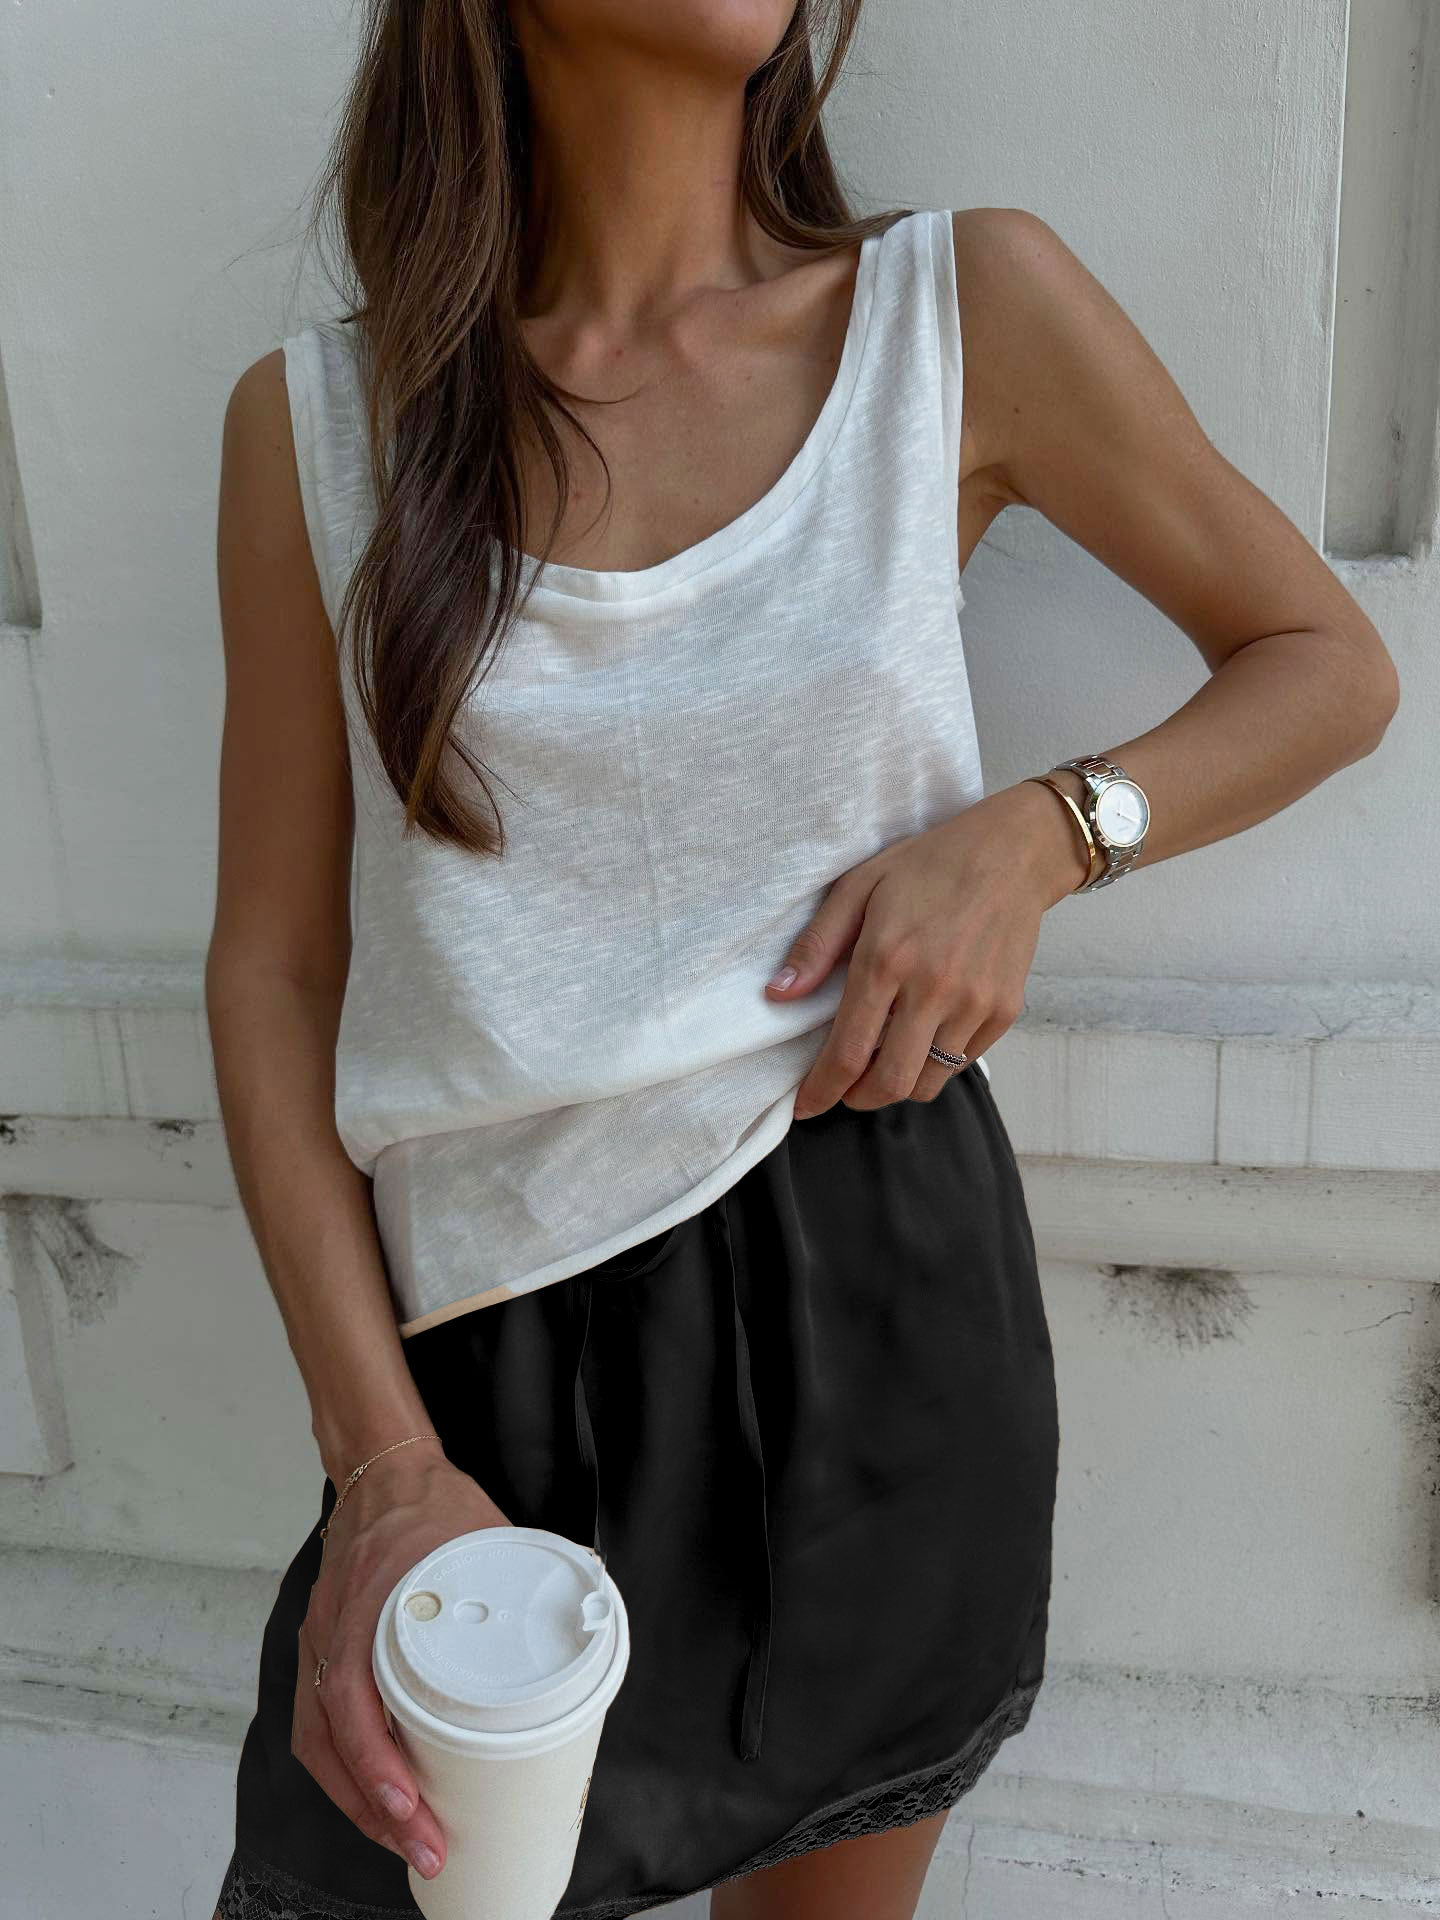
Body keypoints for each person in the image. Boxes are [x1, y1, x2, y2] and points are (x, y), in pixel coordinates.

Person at [205, 3, 1399, 1916]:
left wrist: (1043, 835)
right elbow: (275, 972)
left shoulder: (959, 310)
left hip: (880, 1289)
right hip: (480, 1358)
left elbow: (1326, 665)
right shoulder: (322, 426)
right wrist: (380, 1470)